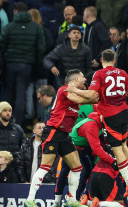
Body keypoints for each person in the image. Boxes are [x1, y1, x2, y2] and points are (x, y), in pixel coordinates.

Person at [66, 50, 128, 197]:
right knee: (124, 145)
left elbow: (92, 94)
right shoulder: (123, 73)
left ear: (101, 60)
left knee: (117, 149)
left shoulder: (99, 74)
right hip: (124, 112)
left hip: (111, 115)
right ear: (115, 60)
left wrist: (75, 90)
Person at [24, 69, 96, 207]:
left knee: (77, 167)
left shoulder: (73, 91)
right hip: (53, 131)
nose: (85, 80)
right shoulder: (64, 90)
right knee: (45, 167)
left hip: (64, 134)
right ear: (75, 80)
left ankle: (72, 200)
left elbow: (91, 98)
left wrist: (92, 95)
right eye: (82, 77)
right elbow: (87, 98)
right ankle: (30, 199)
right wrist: (92, 95)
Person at [0, 2, 45, 126]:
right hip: (26, 65)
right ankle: (18, 124)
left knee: (8, 92)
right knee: (21, 94)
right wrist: (36, 63)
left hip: (10, 64)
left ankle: (4, 121)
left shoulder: (9, 27)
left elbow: (1, 45)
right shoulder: (36, 27)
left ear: (15, 11)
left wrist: (2, 61)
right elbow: (41, 48)